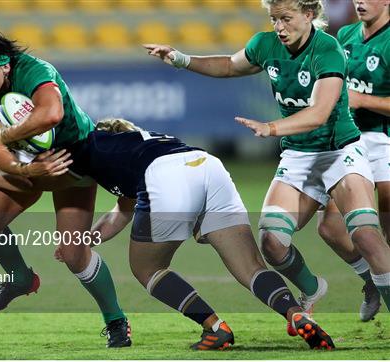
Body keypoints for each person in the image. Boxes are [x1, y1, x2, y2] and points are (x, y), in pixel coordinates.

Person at [0, 118, 336, 351]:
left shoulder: (89, 145)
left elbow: (48, 176)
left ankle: (216, 327)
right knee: (250, 266)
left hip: (166, 177)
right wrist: (90, 238)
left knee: (148, 269)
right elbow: (122, 212)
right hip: (208, 166)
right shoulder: (140, 142)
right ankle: (295, 314)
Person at [143, 0, 390, 335]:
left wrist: (271, 128)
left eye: (286, 19)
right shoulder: (264, 44)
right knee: (272, 243)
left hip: (339, 153)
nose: (279, 27)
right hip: (298, 157)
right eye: (274, 19)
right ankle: (313, 288)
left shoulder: (328, 48)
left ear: (308, 15)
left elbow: (319, 113)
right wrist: (182, 59)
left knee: (366, 235)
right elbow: (230, 66)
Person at [0, 29, 130, 348]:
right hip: (31, 163)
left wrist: (9, 141)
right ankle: (21, 278)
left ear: (5, 67)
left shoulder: (37, 71)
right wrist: (24, 168)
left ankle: (116, 320)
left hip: (74, 157)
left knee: (72, 252)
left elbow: (51, 114)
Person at [317, 0, 389, 322]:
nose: (359, 2)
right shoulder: (344, 35)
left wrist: (362, 100)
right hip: (349, 139)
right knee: (331, 228)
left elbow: (357, 96)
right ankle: (371, 280)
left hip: (385, 140)